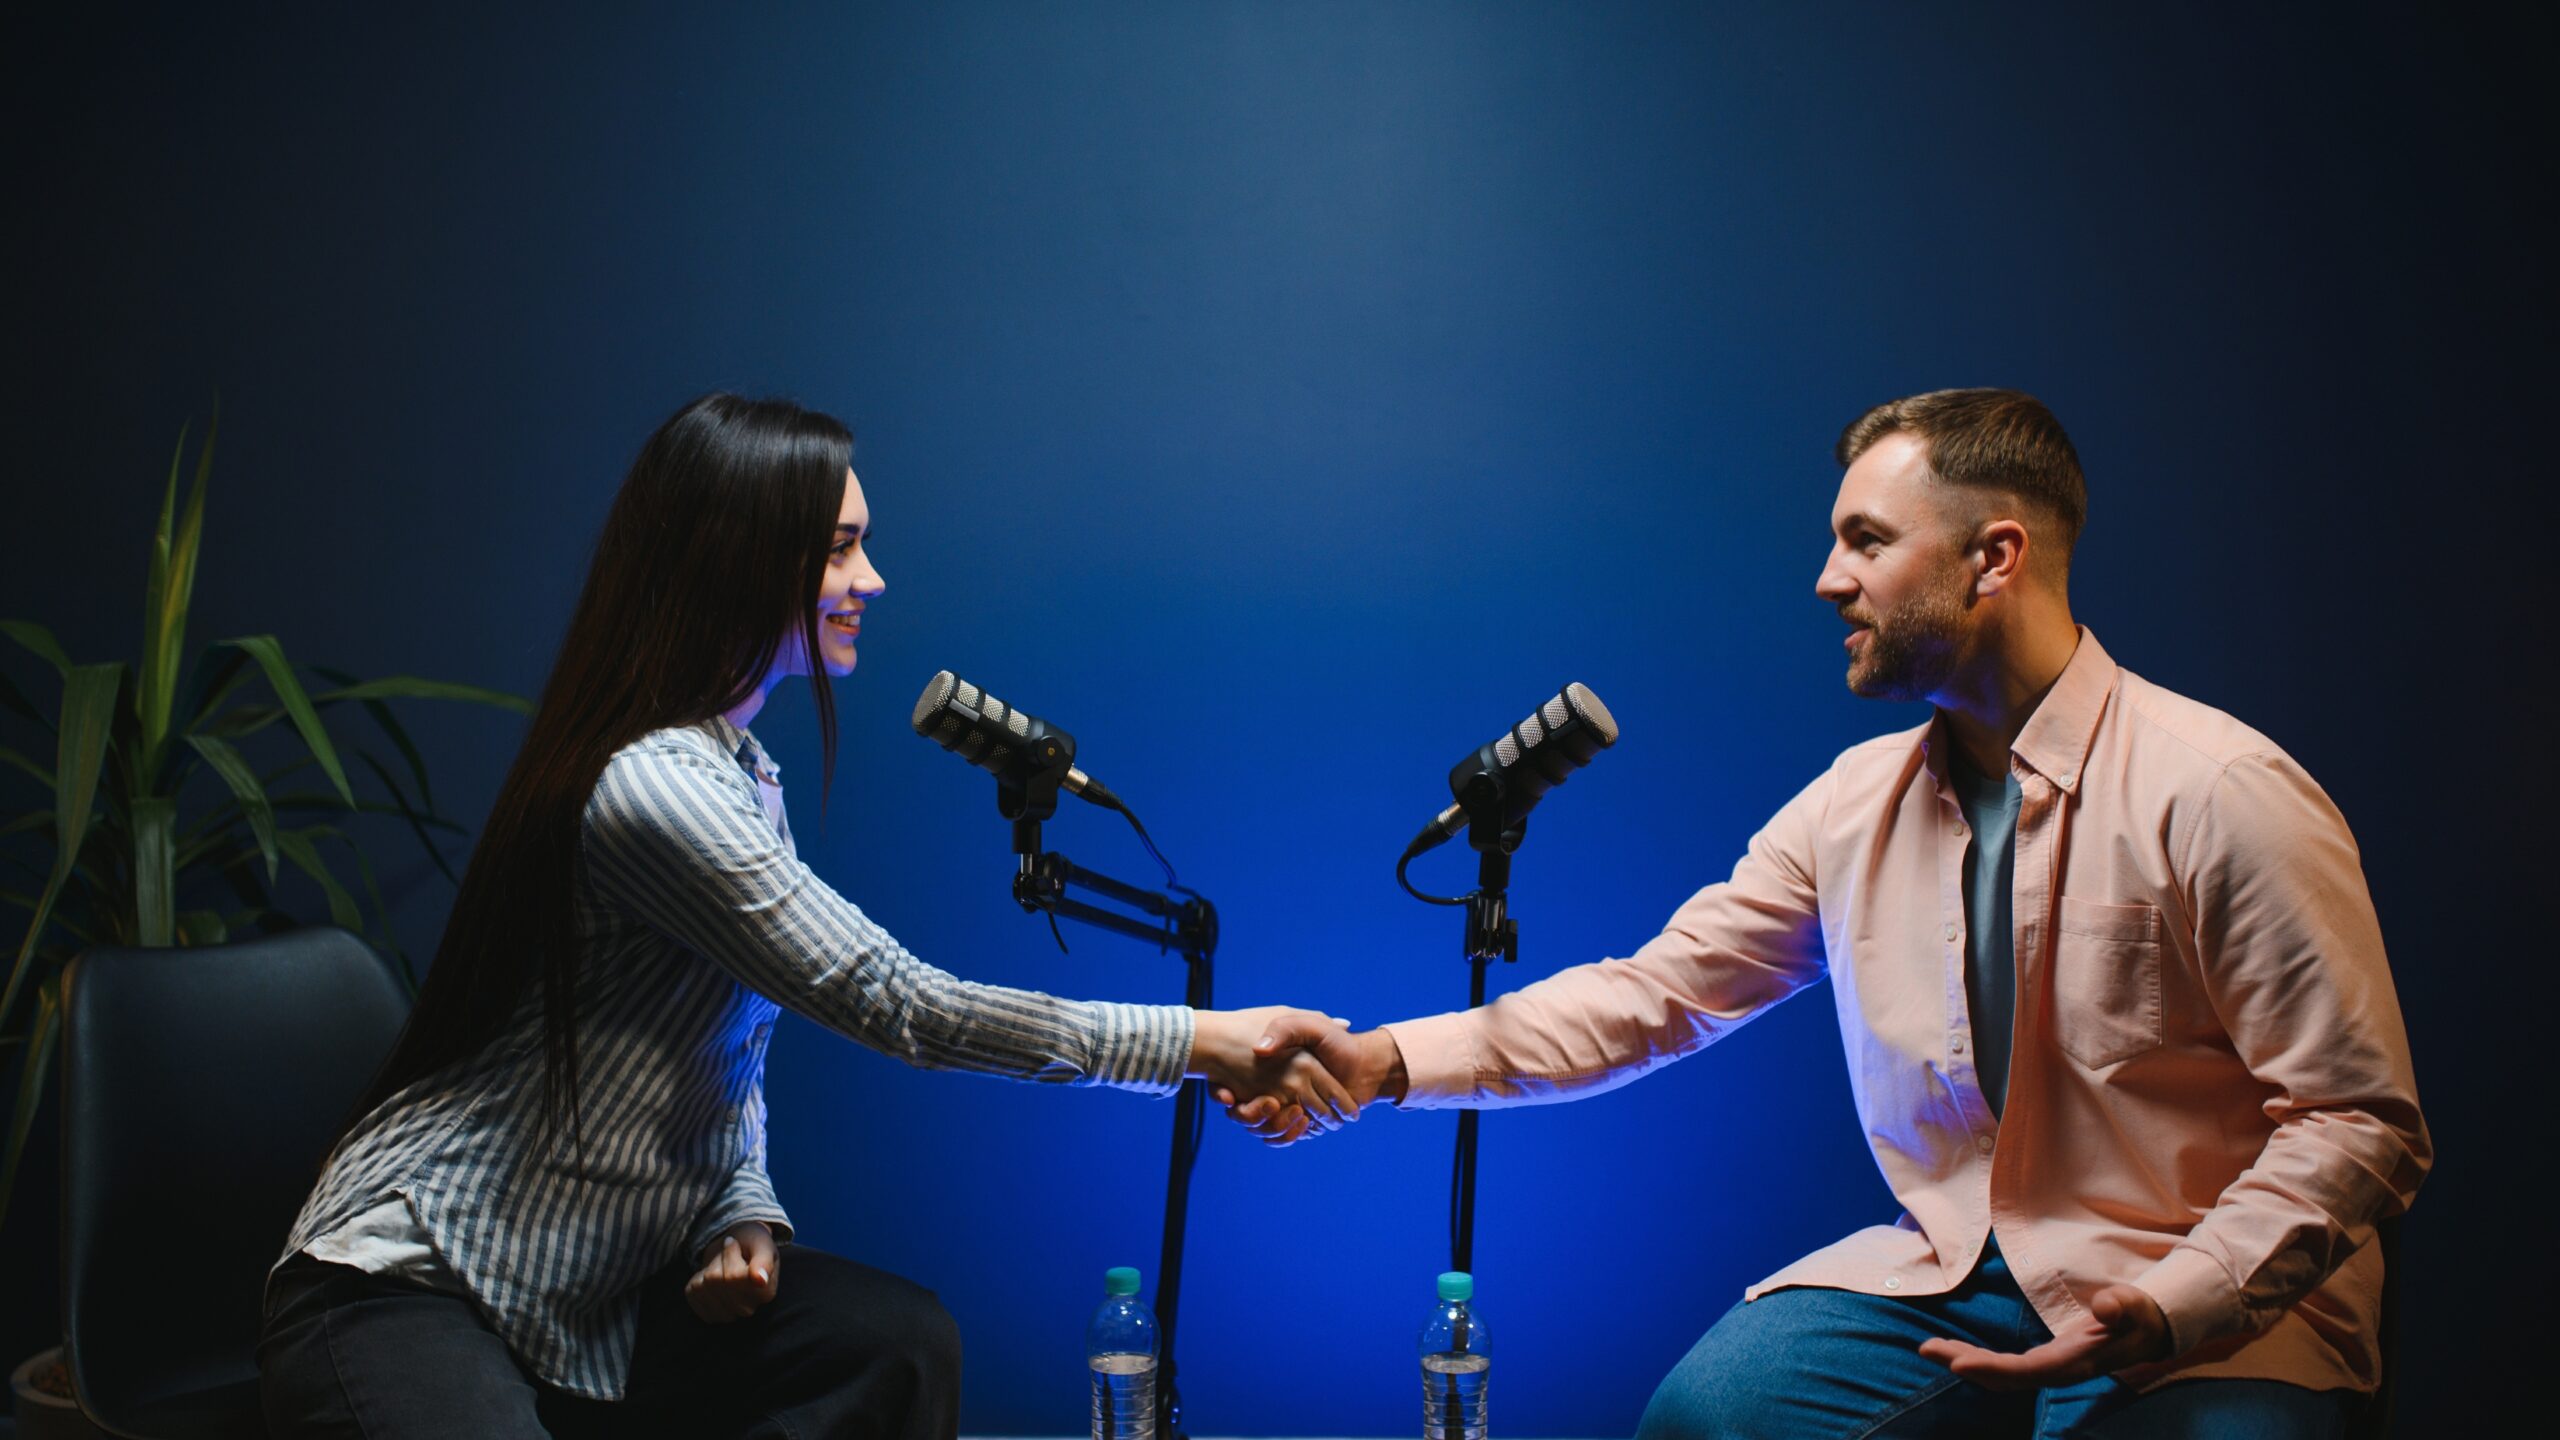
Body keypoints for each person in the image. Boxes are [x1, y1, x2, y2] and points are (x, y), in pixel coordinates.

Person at [1230, 389, 2429, 1437]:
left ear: (1993, 558)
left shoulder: (2220, 790)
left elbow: (2358, 1123)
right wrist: (1381, 1059)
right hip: (1966, 1272)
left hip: (2212, 1305)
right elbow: (1658, 998)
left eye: (1864, 539)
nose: (1827, 578)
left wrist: (2177, 1304)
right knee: (1712, 1417)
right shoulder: (1853, 805)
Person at [256, 393, 1353, 1440]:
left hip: (588, 1296)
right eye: (837, 548)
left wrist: (740, 1206)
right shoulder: (657, 790)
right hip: (411, 1281)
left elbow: (720, 1049)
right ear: (732, 554)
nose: (870, 578)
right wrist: (1199, 1043)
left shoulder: (745, 775)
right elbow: (896, 1003)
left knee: (894, 1344)